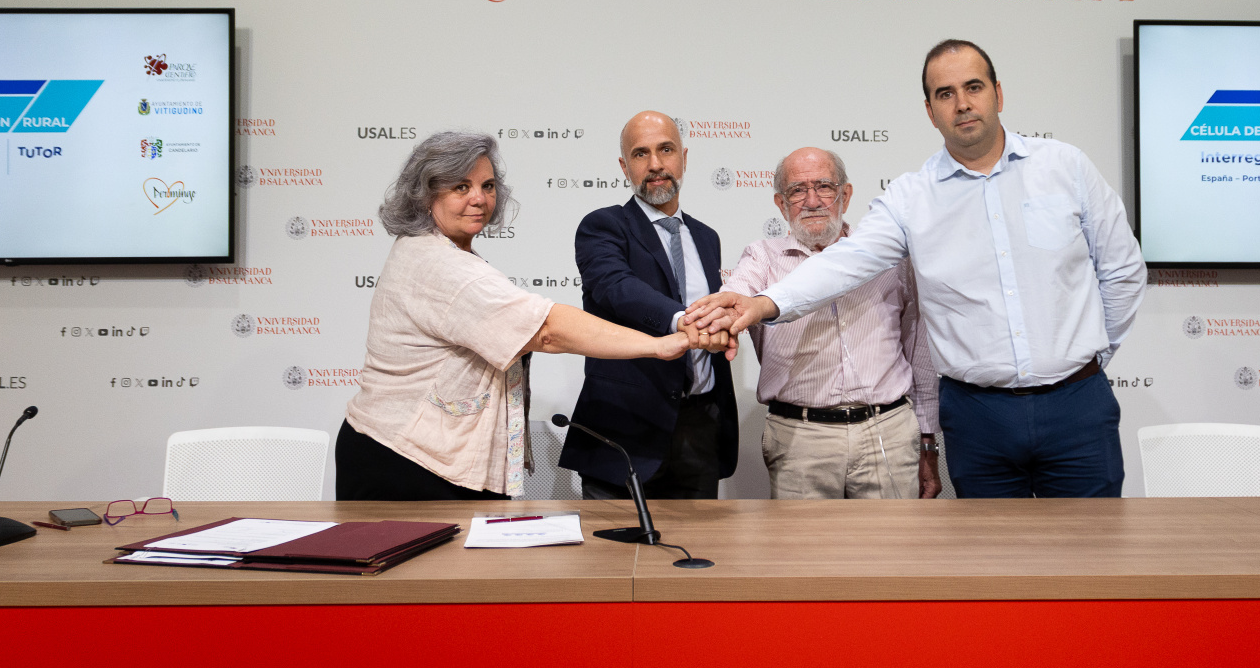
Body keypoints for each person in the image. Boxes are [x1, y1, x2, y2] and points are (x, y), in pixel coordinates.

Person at [688, 40, 1146, 498]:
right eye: (945, 94)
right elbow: (845, 261)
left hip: (1077, 403)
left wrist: (1089, 359)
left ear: (998, 94)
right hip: (978, 414)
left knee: (1093, 556)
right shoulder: (911, 197)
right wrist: (763, 303)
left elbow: (1122, 270)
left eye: (973, 87)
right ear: (930, 111)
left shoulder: (1065, 166)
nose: (962, 103)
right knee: (989, 561)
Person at [337, 130, 732, 501]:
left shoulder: (443, 254)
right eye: (460, 186)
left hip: (424, 455)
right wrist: (664, 343)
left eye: (487, 186)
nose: (478, 198)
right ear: (424, 196)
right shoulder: (437, 263)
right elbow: (545, 329)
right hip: (405, 459)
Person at [722, 146, 942, 500]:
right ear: (781, 203)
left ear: (846, 194)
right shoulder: (761, 257)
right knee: (804, 555)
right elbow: (734, 296)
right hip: (801, 438)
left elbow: (920, 348)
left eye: (824, 186)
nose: (812, 201)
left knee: (892, 552)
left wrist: (928, 438)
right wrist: (713, 316)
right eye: (797, 190)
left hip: (887, 430)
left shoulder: (889, 256)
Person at [557, 111, 739, 500]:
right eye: (641, 154)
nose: (655, 165)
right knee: (614, 560)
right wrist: (682, 322)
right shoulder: (603, 226)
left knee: (699, 554)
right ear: (624, 166)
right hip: (626, 428)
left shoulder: (707, 237)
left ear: (684, 158)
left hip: (699, 429)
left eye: (666, 150)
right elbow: (614, 287)